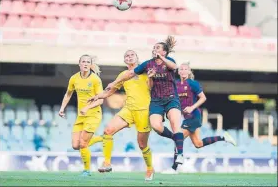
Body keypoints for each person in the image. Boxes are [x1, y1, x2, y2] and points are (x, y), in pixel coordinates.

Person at [105, 36, 184, 164]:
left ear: (164, 52)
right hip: (156, 101)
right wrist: (115, 82)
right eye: (153, 48)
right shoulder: (147, 64)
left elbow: (174, 67)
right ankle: (176, 139)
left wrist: (162, 58)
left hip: (171, 99)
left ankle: (179, 154)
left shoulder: (169, 61)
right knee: (156, 127)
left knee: (175, 124)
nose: (154, 49)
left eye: (157, 48)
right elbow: (130, 73)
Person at [88, 50, 154, 181]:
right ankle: (107, 163)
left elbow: (151, 88)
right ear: (124, 61)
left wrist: (151, 77)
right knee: (108, 131)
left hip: (144, 111)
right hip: (128, 110)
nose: (129, 57)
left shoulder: (146, 71)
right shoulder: (123, 74)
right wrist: (97, 96)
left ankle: (149, 168)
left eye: (131, 55)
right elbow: (110, 91)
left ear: (137, 58)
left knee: (142, 145)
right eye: (126, 56)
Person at [161, 62, 237, 174]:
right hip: (187, 117)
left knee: (178, 138)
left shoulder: (193, 84)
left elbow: (203, 98)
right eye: (181, 69)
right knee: (198, 144)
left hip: (194, 116)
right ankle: (223, 137)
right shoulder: (176, 85)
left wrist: (191, 107)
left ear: (189, 71)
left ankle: (174, 168)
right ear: (178, 71)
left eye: (185, 69)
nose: (183, 71)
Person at [58, 54, 104, 176]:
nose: (85, 64)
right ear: (79, 64)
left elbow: (101, 100)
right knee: (75, 145)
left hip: (93, 114)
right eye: (83, 61)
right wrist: (62, 108)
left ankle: (87, 170)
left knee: (83, 143)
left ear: (90, 65)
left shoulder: (95, 79)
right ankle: (101, 138)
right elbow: (68, 94)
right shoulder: (74, 78)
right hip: (81, 115)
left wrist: (87, 107)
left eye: (88, 62)